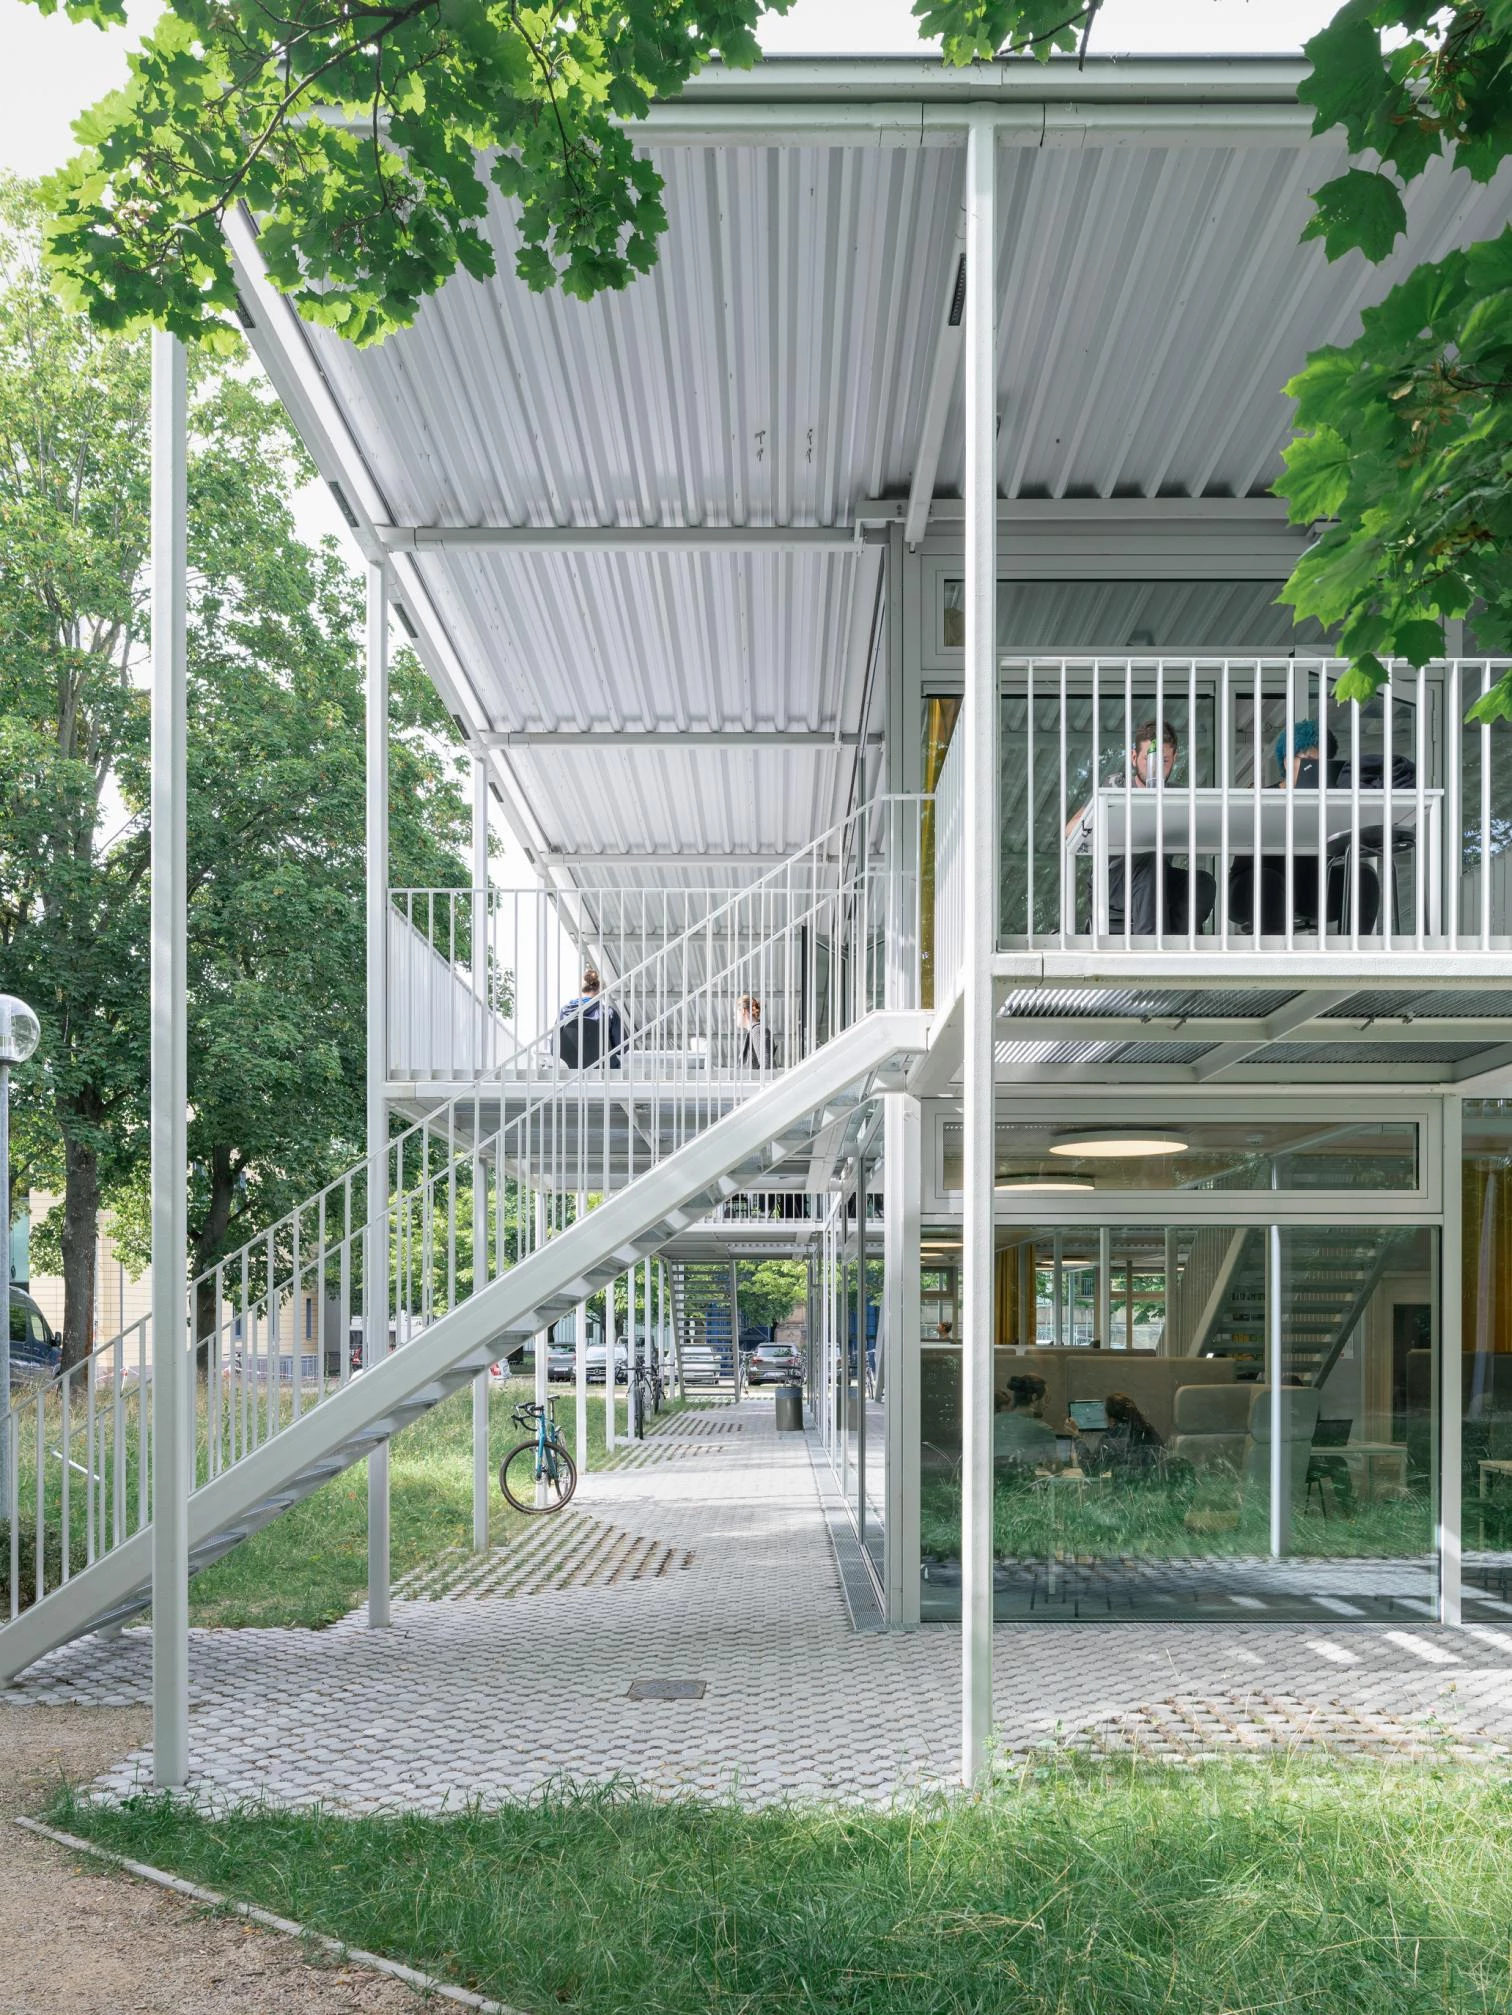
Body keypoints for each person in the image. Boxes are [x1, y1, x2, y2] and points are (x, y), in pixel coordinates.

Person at [1227, 720, 1381, 935]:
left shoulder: (1331, 803)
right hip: (1254, 886)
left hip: (1310, 890)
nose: (1314, 768)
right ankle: (1274, 954)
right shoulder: (1263, 797)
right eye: (1307, 760)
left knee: (1364, 877)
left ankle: (1354, 950)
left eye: (1320, 762)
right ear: (1287, 761)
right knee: (1267, 881)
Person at [1070, 718, 1216, 936]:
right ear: (1133, 757)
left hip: (1157, 879)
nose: (1155, 767)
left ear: (1174, 759)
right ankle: (1151, 948)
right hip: (1113, 881)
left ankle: (1180, 946)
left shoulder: (1179, 796)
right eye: (1149, 759)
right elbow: (1070, 829)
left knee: (1202, 883)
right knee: (1150, 861)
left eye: (1164, 760)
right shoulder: (1115, 786)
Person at [556, 965, 624, 1069]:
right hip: (604, 1069)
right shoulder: (608, 1013)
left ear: (582, 988)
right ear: (600, 989)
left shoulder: (564, 1012)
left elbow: (554, 1048)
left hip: (573, 1070)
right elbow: (622, 1047)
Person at [993, 1373, 1059, 1470]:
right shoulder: (1042, 1429)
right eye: (1046, 1399)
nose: (1047, 1405)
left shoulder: (995, 1421)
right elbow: (1055, 1469)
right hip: (1023, 1479)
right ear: (1034, 1397)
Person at [1099, 1391, 1163, 1473]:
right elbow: (1161, 1456)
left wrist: (1080, 1441)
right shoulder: (1147, 1430)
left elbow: (1094, 1468)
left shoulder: (1111, 1438)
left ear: (1112, 1419)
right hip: (1150, 1480)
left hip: (1123, 1480)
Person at [736, 994, 777, 1069]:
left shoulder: (757, 1030)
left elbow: (766, 1065)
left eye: (736, 1013)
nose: (734, 1017)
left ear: (742, 1011)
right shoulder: (754, 1031)